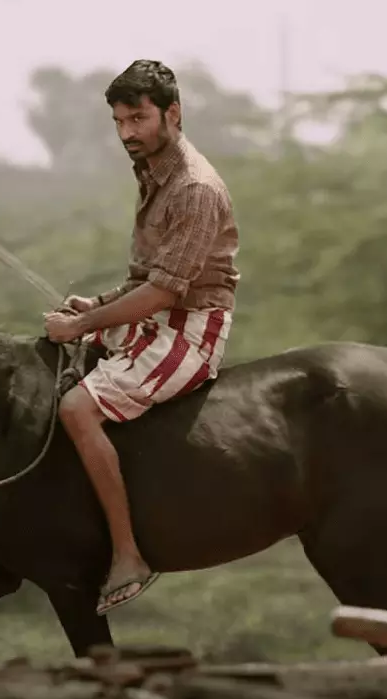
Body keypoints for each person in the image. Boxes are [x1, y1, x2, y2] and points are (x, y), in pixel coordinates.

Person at [43, 59, 240, 615]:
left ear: (172, 113)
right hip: (158, 309)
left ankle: (129, 553)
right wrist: (100, 306)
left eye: (138, 118)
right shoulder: (153, 169)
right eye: (118, 121)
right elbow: (144, 279)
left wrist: (84, 324)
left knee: (78, 409)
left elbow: (166, 294)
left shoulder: (195, 188)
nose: (127, 133)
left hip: (190, 327)